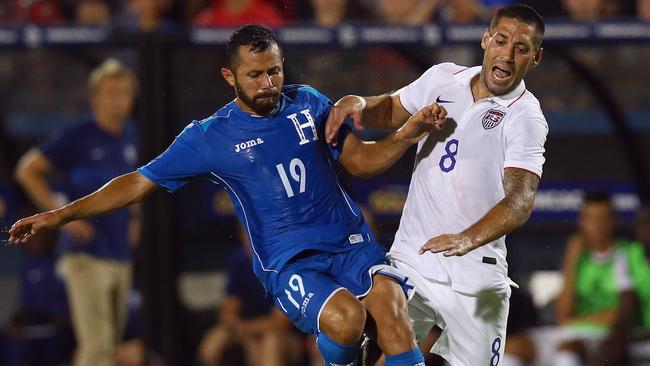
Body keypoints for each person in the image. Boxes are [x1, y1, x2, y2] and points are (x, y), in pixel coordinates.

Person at [10, 25, 447, 366]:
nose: (267, 83)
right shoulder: (209, 137)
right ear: (229, 77)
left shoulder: (310, 103)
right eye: (254, 75)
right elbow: (138, 182)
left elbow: (361, 162)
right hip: (292, 262)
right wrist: (60, 215)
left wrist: (409, 133)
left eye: (274, 70)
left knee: (394, 315)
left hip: (351, 243)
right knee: (348, 323)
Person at [325, 4, 547, 365]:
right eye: (502, 41)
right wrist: (360, 103)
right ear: (486, 38)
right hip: (414, 259)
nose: (507, 55)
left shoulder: (526, 117)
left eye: (521, 48)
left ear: (535, 57)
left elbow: (519, 202)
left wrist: (464, 239)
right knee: (378, 356)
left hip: (478, 275)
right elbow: (392, 109)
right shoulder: (443, 78)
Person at [13, 58, 140, 366]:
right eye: (109, 92)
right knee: (98, 346)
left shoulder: (130, 135)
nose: (116, 100)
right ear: (95, 97)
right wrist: (61, 217)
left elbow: (134, 185)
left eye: (123, 92)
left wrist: (137, 220)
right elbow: (27, 170)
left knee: (106, 345)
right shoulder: (78, 134)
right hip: (85, 255)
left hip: (120, 253)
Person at [198, 225, 302, 366]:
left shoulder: (283, 264)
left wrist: (244, 331)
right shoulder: (239, 261)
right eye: (247, 233)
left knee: (271, 340)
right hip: (250, 331)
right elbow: (228, 312)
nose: (252, 240)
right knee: (215, 339)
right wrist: (246, 336)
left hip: (291, 338)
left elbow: (280, 323)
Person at [552, 192, 628, 366]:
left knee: (567, 349)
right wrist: (572, 258)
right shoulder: (578, 256)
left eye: (603, 218)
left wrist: (573, 321)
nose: (598, 226)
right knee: (516, 347)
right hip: (571, 332)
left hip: (606, 336)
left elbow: (618, 316)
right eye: (592, 219)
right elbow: (562, 313)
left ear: (613, 221)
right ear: (582, 221)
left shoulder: (626, 253)